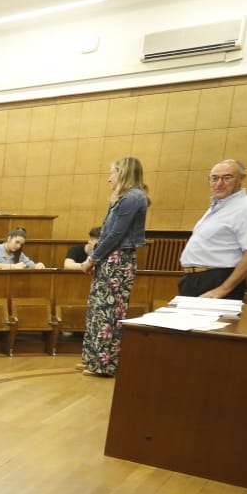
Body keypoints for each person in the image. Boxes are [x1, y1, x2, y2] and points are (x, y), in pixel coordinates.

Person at [80, 156, 151, 377]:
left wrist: (93, 258)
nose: (108, 177)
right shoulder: (125, 197)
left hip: (117, 260)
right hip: (110, 258)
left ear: (122, 172)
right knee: (97, 310)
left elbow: (116, 234)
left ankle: (104, 363)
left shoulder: (132, 197)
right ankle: (93, 359)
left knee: (108, 312)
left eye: (112, 172)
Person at [177, 159, 247, 300]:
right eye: (215, 178)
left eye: (227, 177)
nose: (219, 183)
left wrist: (223, 289)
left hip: (218, 281)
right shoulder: (218, 206)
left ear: (241, 178)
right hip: (193, 280)